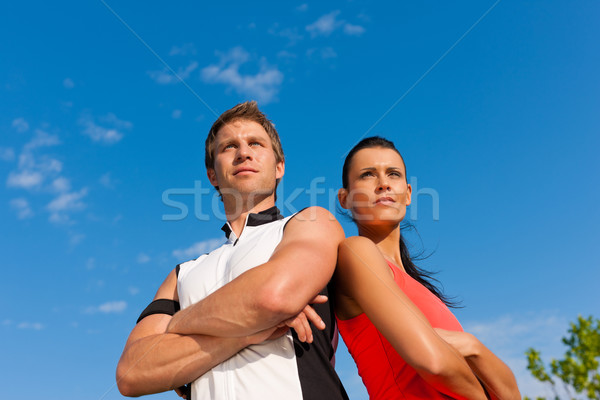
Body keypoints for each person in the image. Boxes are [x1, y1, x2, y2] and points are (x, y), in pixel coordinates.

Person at [116, 101, 349, 400]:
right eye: (229, 147)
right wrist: (249, 333)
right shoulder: (182, 274)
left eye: (255, 143)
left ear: (279, 167)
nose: (243, 153)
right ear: (213, 175)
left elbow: (274, 297)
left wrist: (176, 327)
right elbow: (130, 373)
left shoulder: (309, 222)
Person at [334, 136, 521, 400]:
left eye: (393, 174)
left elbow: (513, 392)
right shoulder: (355, 252)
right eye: (367, 175)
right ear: (345, 198)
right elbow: (433, 362)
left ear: (408, 193)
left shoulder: (420, 289)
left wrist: (472, 345)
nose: (384, 183)